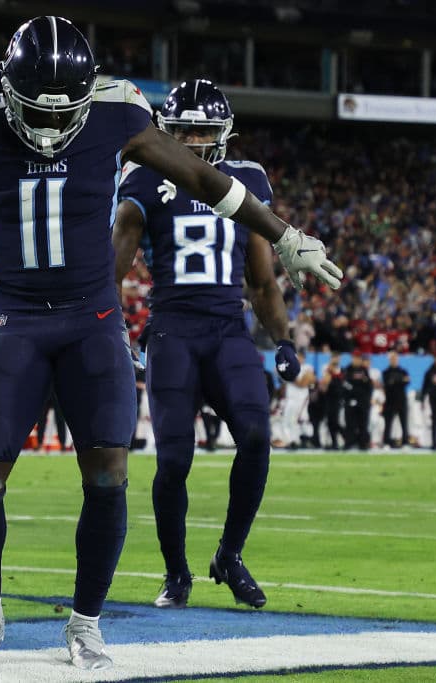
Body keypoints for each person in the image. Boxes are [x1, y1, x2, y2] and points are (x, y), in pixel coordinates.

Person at [0, 20, 341, 669]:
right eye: (37, 110)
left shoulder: (116, 113)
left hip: (92, 318)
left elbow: (202, 177)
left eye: (64, 110)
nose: (51, 127)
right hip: (16, 318)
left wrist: (283, 233)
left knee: (108, 474)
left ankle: (85, 624)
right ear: (6, 90)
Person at [113, 78, 303, 612]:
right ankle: (177, 572)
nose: (194, 141)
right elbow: (112, 271)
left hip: (227, 331)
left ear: (223, 133)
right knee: (174, 459)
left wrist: (284, 339)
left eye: (203, 131)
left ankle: (230, 555)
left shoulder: (248, 179)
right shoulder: (142, 177)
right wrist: (113, 331)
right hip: (172, 330)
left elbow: (262, 281)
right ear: (165, 132)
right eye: (184, 131)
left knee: (257, 437)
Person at [343, 352, 373, 449]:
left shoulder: (364, 370)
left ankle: (362, 444)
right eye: (355, 358)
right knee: (350, 424)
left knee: (363, 424)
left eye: (358, 358)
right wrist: (351, 395)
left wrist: (366, 399)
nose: (357, 360)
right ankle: (349, 443)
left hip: (362, 402)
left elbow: (368, 385)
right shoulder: (347, 369)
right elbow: (345, 385)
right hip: (350, 401)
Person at [381, 351, 410, 448]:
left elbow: (407, 381)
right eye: (392, 358)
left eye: (395, 358)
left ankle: (405, 443)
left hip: (401, 400)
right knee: (388, 423)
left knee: (404, 423)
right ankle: (386, 442)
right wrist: (400, 380)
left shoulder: (403, 371)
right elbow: (387, 383)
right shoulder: (386, 372)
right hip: (390, 400)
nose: (393, 360)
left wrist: (394, 380)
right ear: (389, 360)